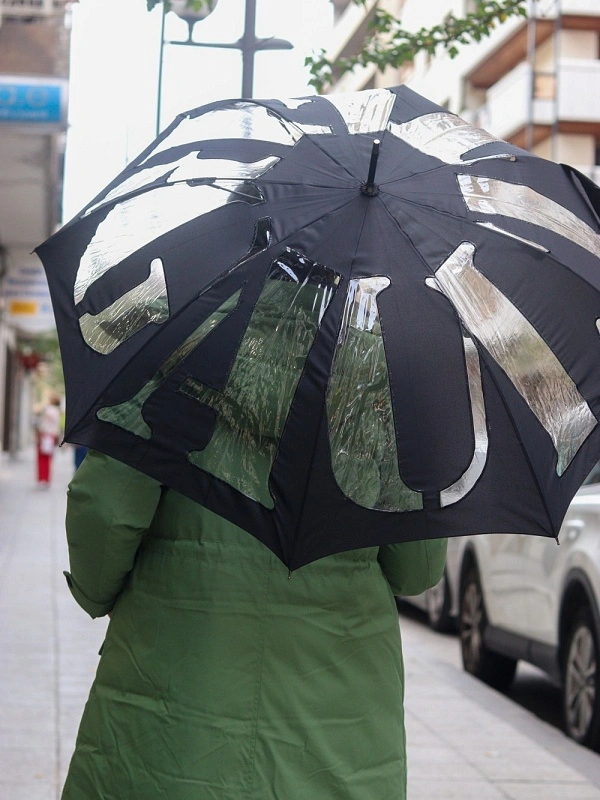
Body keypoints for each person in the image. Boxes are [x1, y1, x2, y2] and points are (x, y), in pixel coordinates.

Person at [60, 449, 446, 800]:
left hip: (175, 708)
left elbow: (105, 514)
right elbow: (418, 568)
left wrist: (98, 594)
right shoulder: (381, 400)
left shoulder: (164, 377)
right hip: (338, 720)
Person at [35, 394, 62, 486]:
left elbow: (43, 424)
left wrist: (39, 434)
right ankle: (46, 478)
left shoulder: (47, 410)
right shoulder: (57, 412)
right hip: (52, 435)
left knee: (42, 458)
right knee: (49, 458)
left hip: (45, 435)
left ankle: (42, 478)